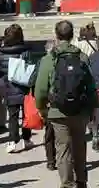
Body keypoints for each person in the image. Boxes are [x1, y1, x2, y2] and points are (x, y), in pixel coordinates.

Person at [35, 20, 99, 188]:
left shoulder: (49, 59)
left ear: (56, 35)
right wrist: (94, 108)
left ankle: (67, 184)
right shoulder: (82, 57)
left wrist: (41, 108)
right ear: (72, 35)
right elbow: (91, 86)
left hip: (57, 111)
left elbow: (40, 88)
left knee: (63, 149)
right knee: (79, 147)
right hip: (80, 110)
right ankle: (81, 181)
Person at [0, 23, 33, 153]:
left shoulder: (1, 53)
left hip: (8, 86)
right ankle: (26, 139)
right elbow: (30, 69)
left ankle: (12, 141)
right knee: (26, 115)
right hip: (23, 87)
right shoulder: (26, 52)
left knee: (12, 115)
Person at [43, 38, 57, 171]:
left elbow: (40, 87)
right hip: (64, 102)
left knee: (49, 134)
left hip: (49, 102)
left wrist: (40, 105)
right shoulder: (63, 61)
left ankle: (51, 161)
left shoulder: (44, 62)